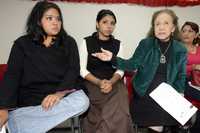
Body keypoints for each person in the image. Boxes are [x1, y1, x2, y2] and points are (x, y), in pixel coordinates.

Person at [92, 9, 187, 133]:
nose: (161, 27)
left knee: (178, 116)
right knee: (158, 118)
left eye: (166, 23)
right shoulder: (146, 44)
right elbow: (132, 64)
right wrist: (112, 58)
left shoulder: (180, 49)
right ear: (153, 28)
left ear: (173, 28)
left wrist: (180, 93)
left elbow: (181, 75)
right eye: (157, 24)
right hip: (145, 89)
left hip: (168, 92)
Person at [0, 1, 89, 132]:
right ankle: (21, 120)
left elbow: (73, 69)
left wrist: (58, 94)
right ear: (38, 21)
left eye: (58, 19)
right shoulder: (22, 44)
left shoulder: (69, 42)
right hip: (31, 99)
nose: (55, 22)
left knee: (82, 101)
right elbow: (12, 75)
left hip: (62, 96)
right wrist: (3, 108)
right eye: (49, 18)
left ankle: (17, 123)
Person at [78, 9, 133, 133]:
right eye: (105, 22)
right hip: (92, 82)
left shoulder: (118, 44)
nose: (109, 26)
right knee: (98, 108)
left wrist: (110, 82)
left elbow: (121, 69)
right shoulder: (86, 42)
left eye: (112, 23)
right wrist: (99, 82)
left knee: (121, 105)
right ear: (97, 24)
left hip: (114, 82)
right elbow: (81, 69)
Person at [181, 21, 200, 133]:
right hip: (181, 81)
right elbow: (175, 69)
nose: (186, 34)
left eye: (190, 31)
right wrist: (194, 66)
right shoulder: (176, 49)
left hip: (197, 81)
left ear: (196, 35)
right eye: (183, 31)